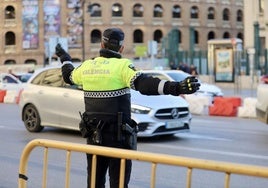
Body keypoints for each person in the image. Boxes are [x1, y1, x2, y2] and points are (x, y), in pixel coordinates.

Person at [55, 27, 200, 188]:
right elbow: (144, 84)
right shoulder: (122, 66)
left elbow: (68, 76)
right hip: (119, 139)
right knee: (119, 183)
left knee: (95, 183)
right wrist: (176, 87)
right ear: (121, 48)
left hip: (94, 137)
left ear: (102, 45)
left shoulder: (87, 67)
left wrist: (65, 57)